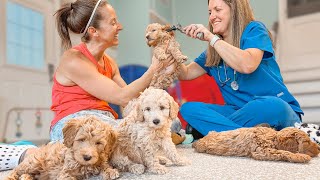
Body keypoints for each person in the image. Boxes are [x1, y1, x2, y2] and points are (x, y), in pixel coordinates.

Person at [0, 0, 175, 171]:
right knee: (99, 152)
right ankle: (27, 151)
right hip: (75, 124)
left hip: (104, 120)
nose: (119, 27)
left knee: (157, 129)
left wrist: (159, 87)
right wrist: (154, 68)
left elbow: (129, 102)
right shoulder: (74, 60)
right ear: (93, 31)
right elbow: (121, 95)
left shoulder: (110, 63)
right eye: (113, 22)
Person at [178, 0, 303, 138]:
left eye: (217, 10)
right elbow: (185, 73)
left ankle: (218, 131)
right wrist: (169, 51)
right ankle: (246, 137)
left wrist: (211, 38)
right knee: (189, 109)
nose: (212, 17)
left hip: (271, 109)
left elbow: (247, 64)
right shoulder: (213, 52)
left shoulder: (254, 30)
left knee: (274, 106)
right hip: (238, 113)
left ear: (234, 10)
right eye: (209, 12)